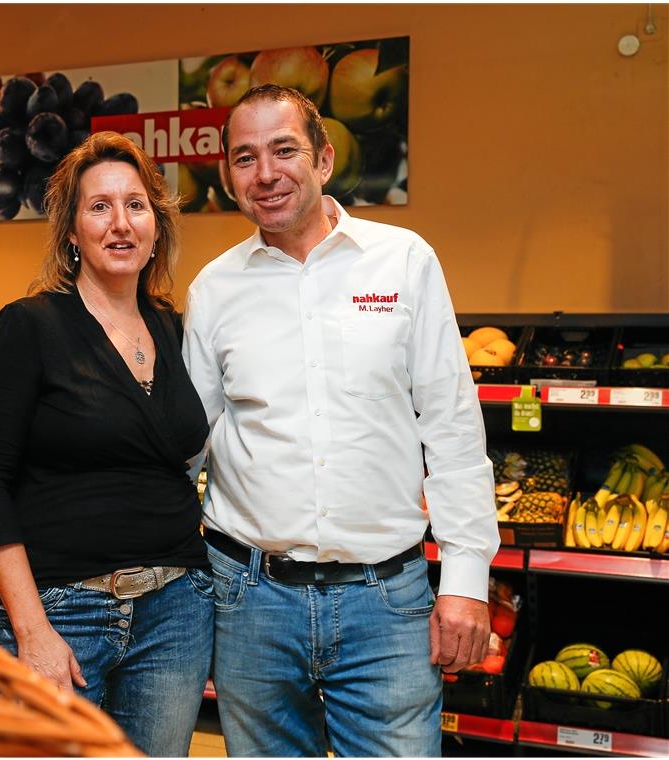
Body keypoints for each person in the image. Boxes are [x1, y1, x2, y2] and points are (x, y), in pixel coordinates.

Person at [182, 84, 500, 757]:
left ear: (325, 159)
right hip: (250, 603)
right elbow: (188, 449)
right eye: (244, 158)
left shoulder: (404, 262)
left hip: (386, 603)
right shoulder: (214, 289)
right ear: (228, 177)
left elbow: (452, 428)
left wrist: (468, 581)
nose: (265, 174)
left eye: (284, 150)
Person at [0, 131, 214, 757]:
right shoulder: (31, 325)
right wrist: (32, 629)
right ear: (71, 231)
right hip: (62, 612)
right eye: (99, 206)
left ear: (157, 223)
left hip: (175, 611)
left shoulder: (174, 327)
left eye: (136, 204)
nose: (120, 222)